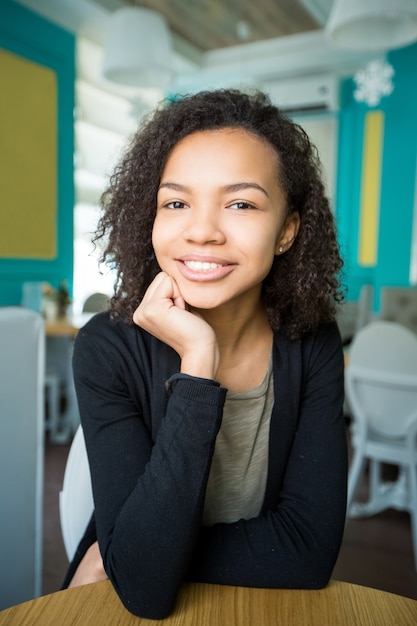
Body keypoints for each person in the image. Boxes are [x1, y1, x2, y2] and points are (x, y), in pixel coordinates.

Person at [63, 89, 347, 619]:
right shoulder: (107, 346)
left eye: (241, 203)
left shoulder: (313, 342)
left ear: (286, 230)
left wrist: (130, 554)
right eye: (176, 202)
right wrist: (199, 362)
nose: (201, 231)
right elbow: (143, 590)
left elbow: (309, 552)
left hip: (247, 605)